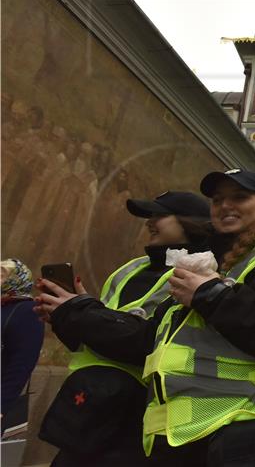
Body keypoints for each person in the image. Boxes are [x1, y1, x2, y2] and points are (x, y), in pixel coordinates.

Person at [35, 169, 255, 466]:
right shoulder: (207, 264)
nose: (225, 206)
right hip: (178, 433)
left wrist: (212, 295)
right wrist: (76, 311)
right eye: (218, 199)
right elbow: (151, 338)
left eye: (239, 197)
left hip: (246, 424)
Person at [37, 191, 211, 466]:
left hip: (137, 411)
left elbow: (147, 341)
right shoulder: (131, 268)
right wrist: (64, 316)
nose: (149, 222)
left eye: (159, 215)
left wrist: (80, 311)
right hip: (90, 402)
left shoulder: (198, 276)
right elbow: (99, 333)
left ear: (189, 222)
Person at [1, 259, 44, 434]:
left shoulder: (27, 311)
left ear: (17, 279)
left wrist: (2, 404)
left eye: (2, 274)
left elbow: (22, 362)